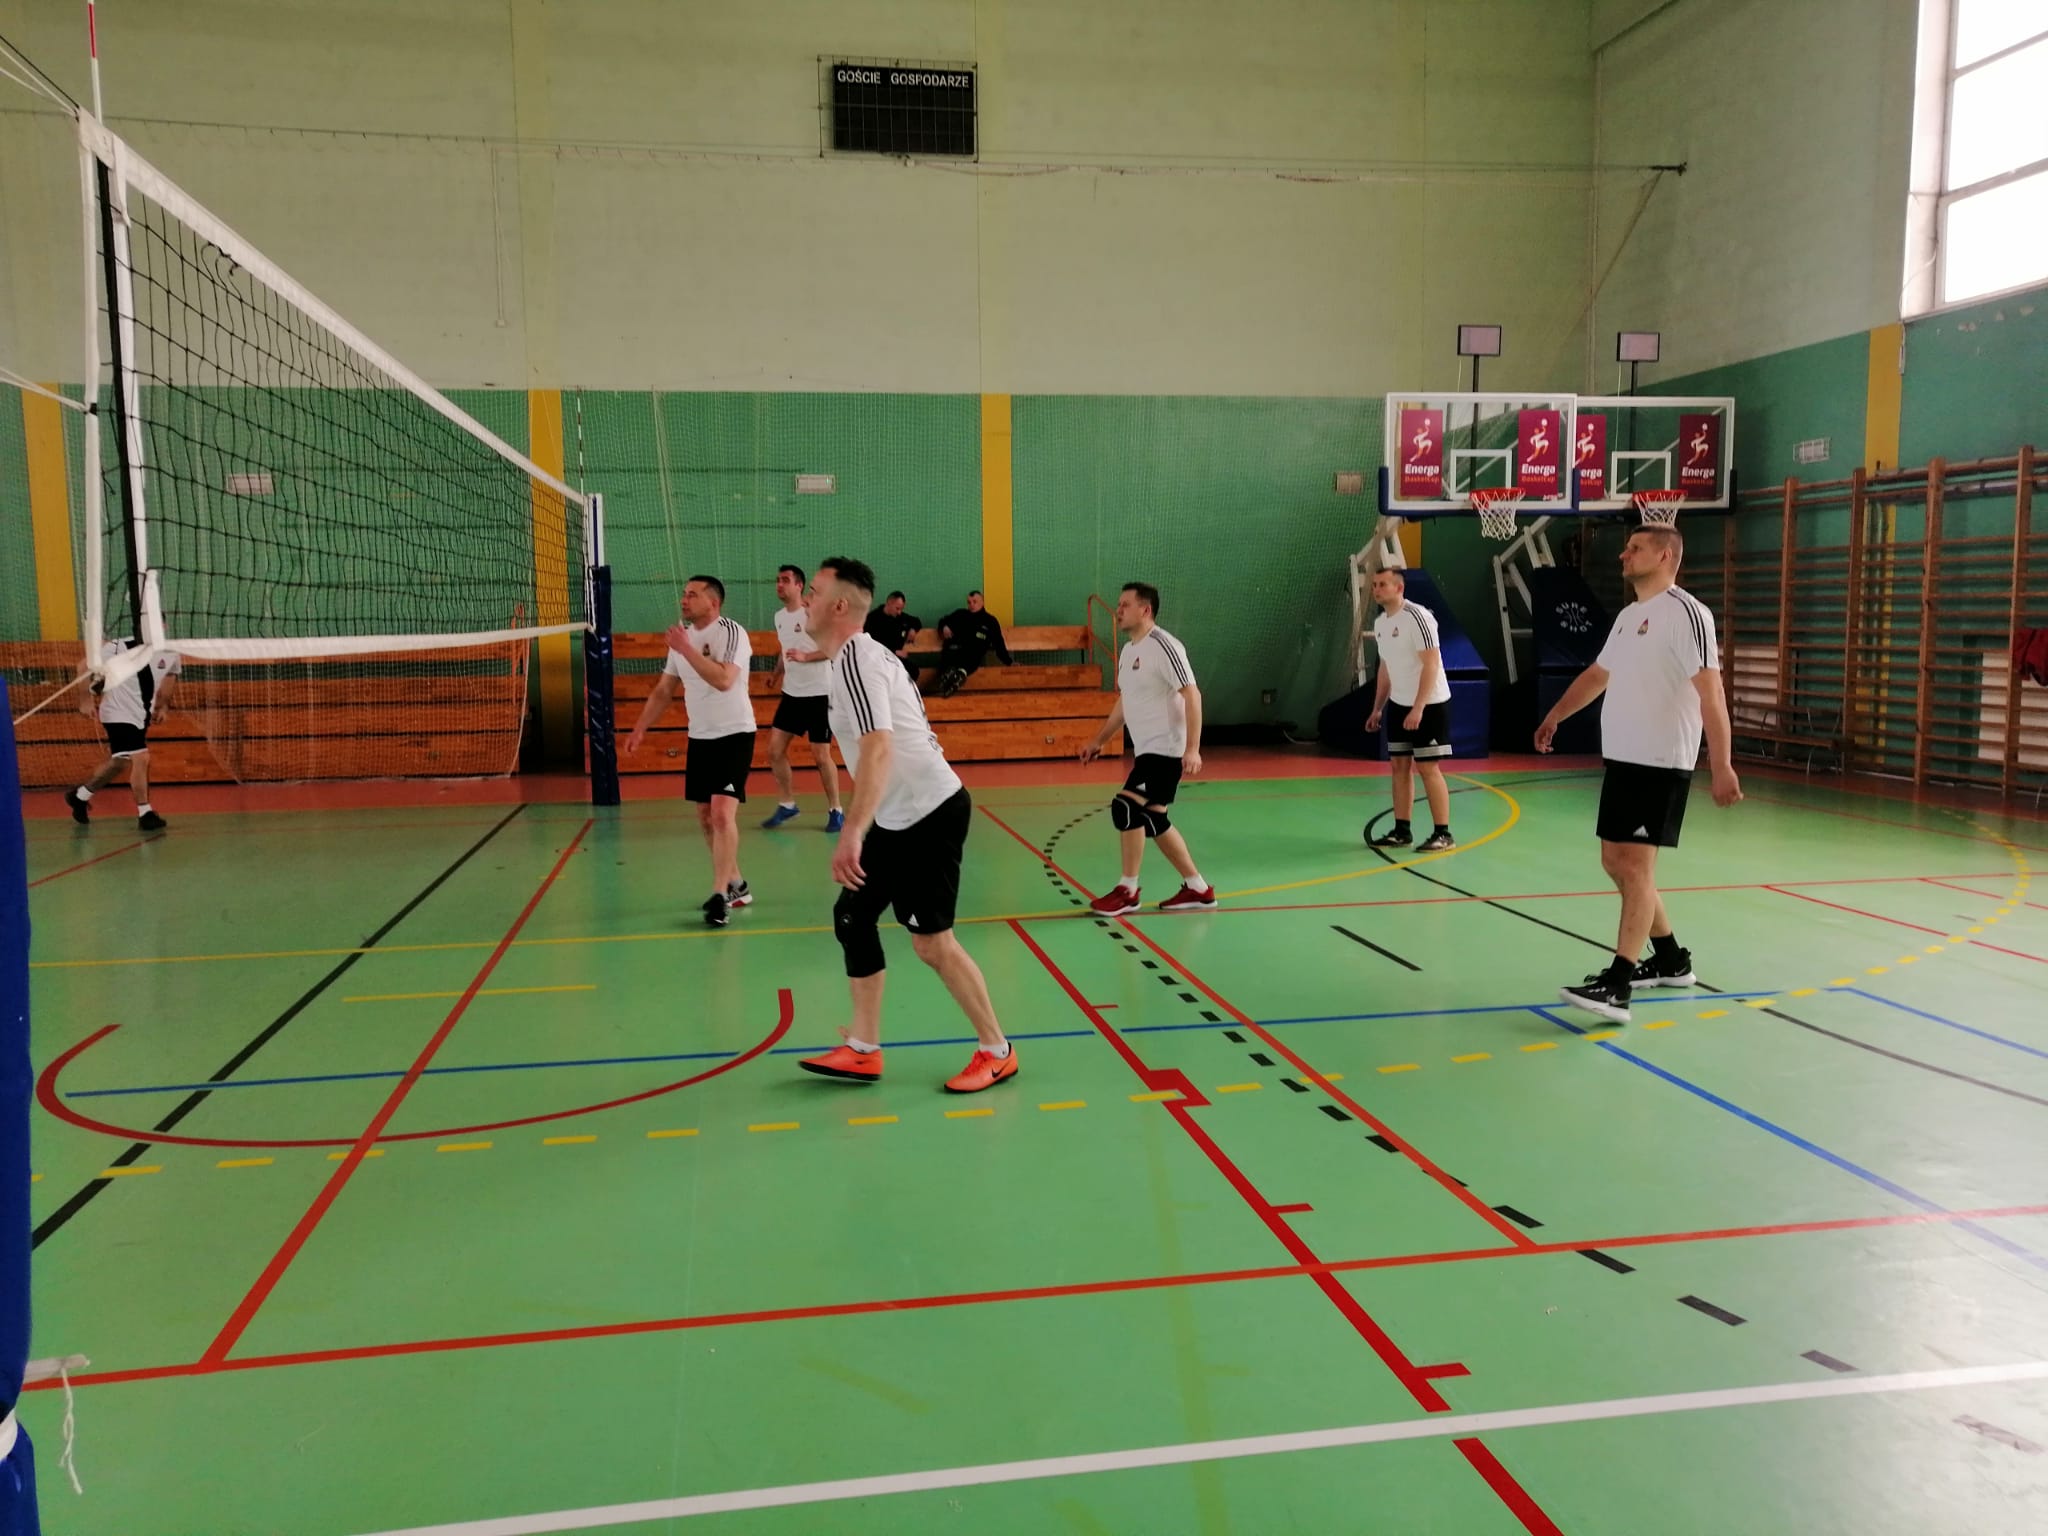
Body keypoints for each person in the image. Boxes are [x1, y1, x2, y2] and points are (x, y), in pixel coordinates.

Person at [794, 557, 1018, 1094]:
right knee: (853, 915)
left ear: (839, 605)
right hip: (899, 816)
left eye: (813, 591)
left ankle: (997, 1051)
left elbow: (878, 749)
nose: (804, 599)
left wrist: (852, 831)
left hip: (929, 813)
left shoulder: (857, 658)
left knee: (932, 944)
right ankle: (863, 1049)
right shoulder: (852, 658)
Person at [1536, 525, 1742, 1023]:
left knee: (1635, 869)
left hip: (1661, 761)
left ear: (1665, 555)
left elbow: (1711, 693)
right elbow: (1598, 676)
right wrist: (1556, 715)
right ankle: (1670, 960)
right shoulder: (1629, 617)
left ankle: (1618, 984)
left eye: (1635, 548)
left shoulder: (1688, 614)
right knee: (1615, 862)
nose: (1623, 555)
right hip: (1624, 759)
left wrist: (1721, 764)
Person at [624, 575, 757, 927]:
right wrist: (640, 727)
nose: (684, 600)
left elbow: (724, 680)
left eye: (692, 595)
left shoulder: (731, 633)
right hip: (700, 738)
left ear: (713, 602)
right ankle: (736, 883)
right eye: (684, 594)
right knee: (705, 816)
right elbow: (664, 690)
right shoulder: (682, 640)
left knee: (722, 814)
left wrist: (686, 649)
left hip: (734, 734)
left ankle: (719, 896)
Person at [1079, 583, 1215, 913]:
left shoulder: (1165, 646)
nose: (1118, 610)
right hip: (1146, 751)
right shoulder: (1128, 653)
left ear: (1146, 610)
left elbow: (1192, 695)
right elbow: (1124, 703)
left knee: (1124, 807)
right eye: (1118, 604)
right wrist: (1098, 740)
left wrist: (1193, 748)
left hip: (1166, 750)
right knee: (1154, 819)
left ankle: (1128, 890)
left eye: (1125, 605)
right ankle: (1198, 889)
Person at [1364, 569, 1455, 852]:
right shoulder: (1380, 624)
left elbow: (1431, 664)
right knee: (1399, 766)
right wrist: (1378, 708)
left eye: (1383, 584)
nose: (1376, 589)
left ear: (1399, 588)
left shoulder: (1418, 617)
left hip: (1429, 704)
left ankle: (1443, 834)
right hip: (1399, 704)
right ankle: (1402, 831)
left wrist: (1418, 707)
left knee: (1427, 767)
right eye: (1374, 585)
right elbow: (1385, 668)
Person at [760, 563, 845, 833]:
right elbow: (786, 649)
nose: (779, 585)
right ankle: (787, 804)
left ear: (799, 585)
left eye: (785, 580)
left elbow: (832, 648)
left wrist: (805, 657)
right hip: (792, 694)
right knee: (774, 751)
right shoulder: (779, 617)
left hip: (820, 694)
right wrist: (776, 674)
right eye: (777, 580)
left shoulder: (813, 613)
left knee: (821, 756)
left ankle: (836, 810)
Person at [64, 638, 179, 832]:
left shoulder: (170, 651)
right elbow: (84, 666)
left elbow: (169, 675)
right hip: (117, 713)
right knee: (141, 757)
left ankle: (80, 796)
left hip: (140, 714)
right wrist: (85, 700)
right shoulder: (120, 646)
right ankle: (145, 813)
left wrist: (163, 706)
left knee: (121, 762)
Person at [929, 590, 1012, 697]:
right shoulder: (961, 614)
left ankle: (957, 676)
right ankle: (949, 676)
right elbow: (943, 621)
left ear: (982, 602)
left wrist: (1009, 662)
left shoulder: (990, 621)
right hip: (954, 653)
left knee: (971, 657)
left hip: (972, 657)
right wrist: (944, 627)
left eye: (974, 602)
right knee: (949, 658)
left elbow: (999, 643)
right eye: (969, 602)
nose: (971, 605)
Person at [863, 590, 922, 679]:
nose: (899, 612)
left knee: (913, 671)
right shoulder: (873, 619)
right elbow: (872, 643)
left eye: (901, 609)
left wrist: (913, 630)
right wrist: (894, 651)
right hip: (880, 658)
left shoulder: (900, 617)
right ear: (889, 603)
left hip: (896, 659)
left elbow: (916, 621)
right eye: (897, 608)